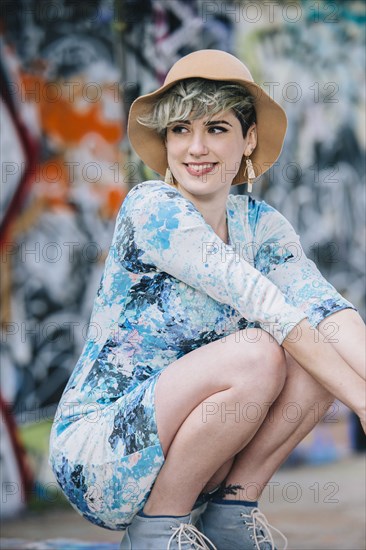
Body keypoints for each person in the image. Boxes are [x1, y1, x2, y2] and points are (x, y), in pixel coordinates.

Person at [49, 50, 366, 550]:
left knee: (315, 359)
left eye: (216, 128)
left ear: (248, 140)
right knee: (261, 351)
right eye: (180, 130)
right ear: (166, 140)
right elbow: (267, 305)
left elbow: (326, 310)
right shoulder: (152, 208)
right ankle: (156, 533)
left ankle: (230, 517)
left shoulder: (261, 225)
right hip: (100, 451)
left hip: (193, 451)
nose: (196, 147)